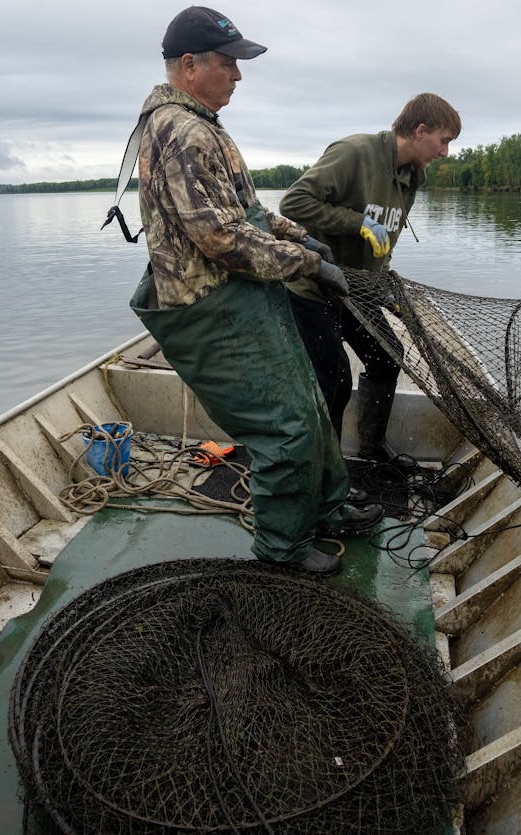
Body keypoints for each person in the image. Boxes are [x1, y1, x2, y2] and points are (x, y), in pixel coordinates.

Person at [127, 7, 381, 577]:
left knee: (312, 404)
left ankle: (327, 507)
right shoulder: (182, 131)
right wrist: (308, 266)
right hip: (210, 307)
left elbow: (244, 212)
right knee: (283, 424)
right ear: (189, 65)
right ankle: (283, 550)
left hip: (246, 294)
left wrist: (302, 237)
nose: (238, 76)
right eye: (228, 64)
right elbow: (215, 235)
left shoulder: (202, 123)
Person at [280, 94, 460, 465]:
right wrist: (357, 222)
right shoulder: (354, 153)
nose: (444, 151)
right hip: (313, 285)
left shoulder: (413, 174)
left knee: (385, 359)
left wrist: (383, 285)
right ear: (419, 130)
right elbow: (293, 203)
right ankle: (325, 473)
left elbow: (385, 238)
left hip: (357, 288)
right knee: (335, 381)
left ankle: (371, 450)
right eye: (443, 140)